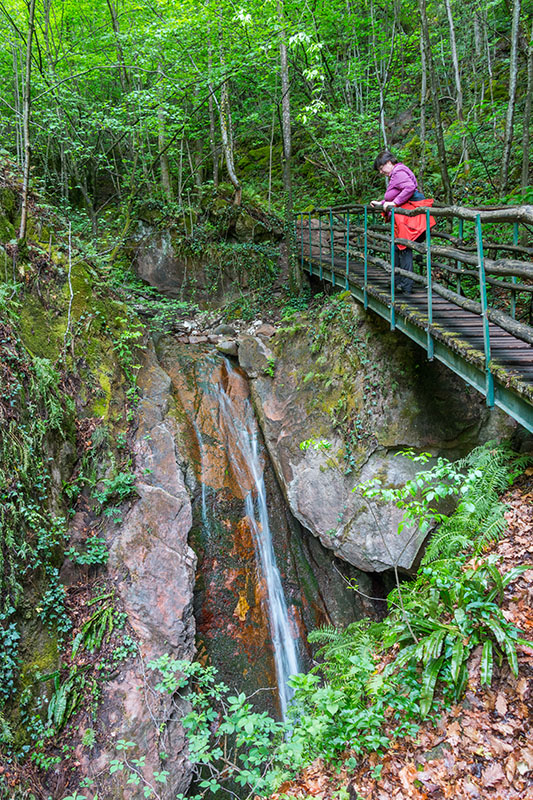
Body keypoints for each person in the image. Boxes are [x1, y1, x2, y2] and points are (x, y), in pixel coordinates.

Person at [370, 151, 436, 294]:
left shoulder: (398, 172)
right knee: (397, 247)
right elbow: (396, 195)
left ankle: (406, 286)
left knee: (403, 248)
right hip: (404, 219)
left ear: (388, 163)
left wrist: (394, 203)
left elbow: (409, 188)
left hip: (408, 219)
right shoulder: (397, 173)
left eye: (381, 168)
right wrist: (381, 203)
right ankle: (398, 282)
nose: (381, 172)